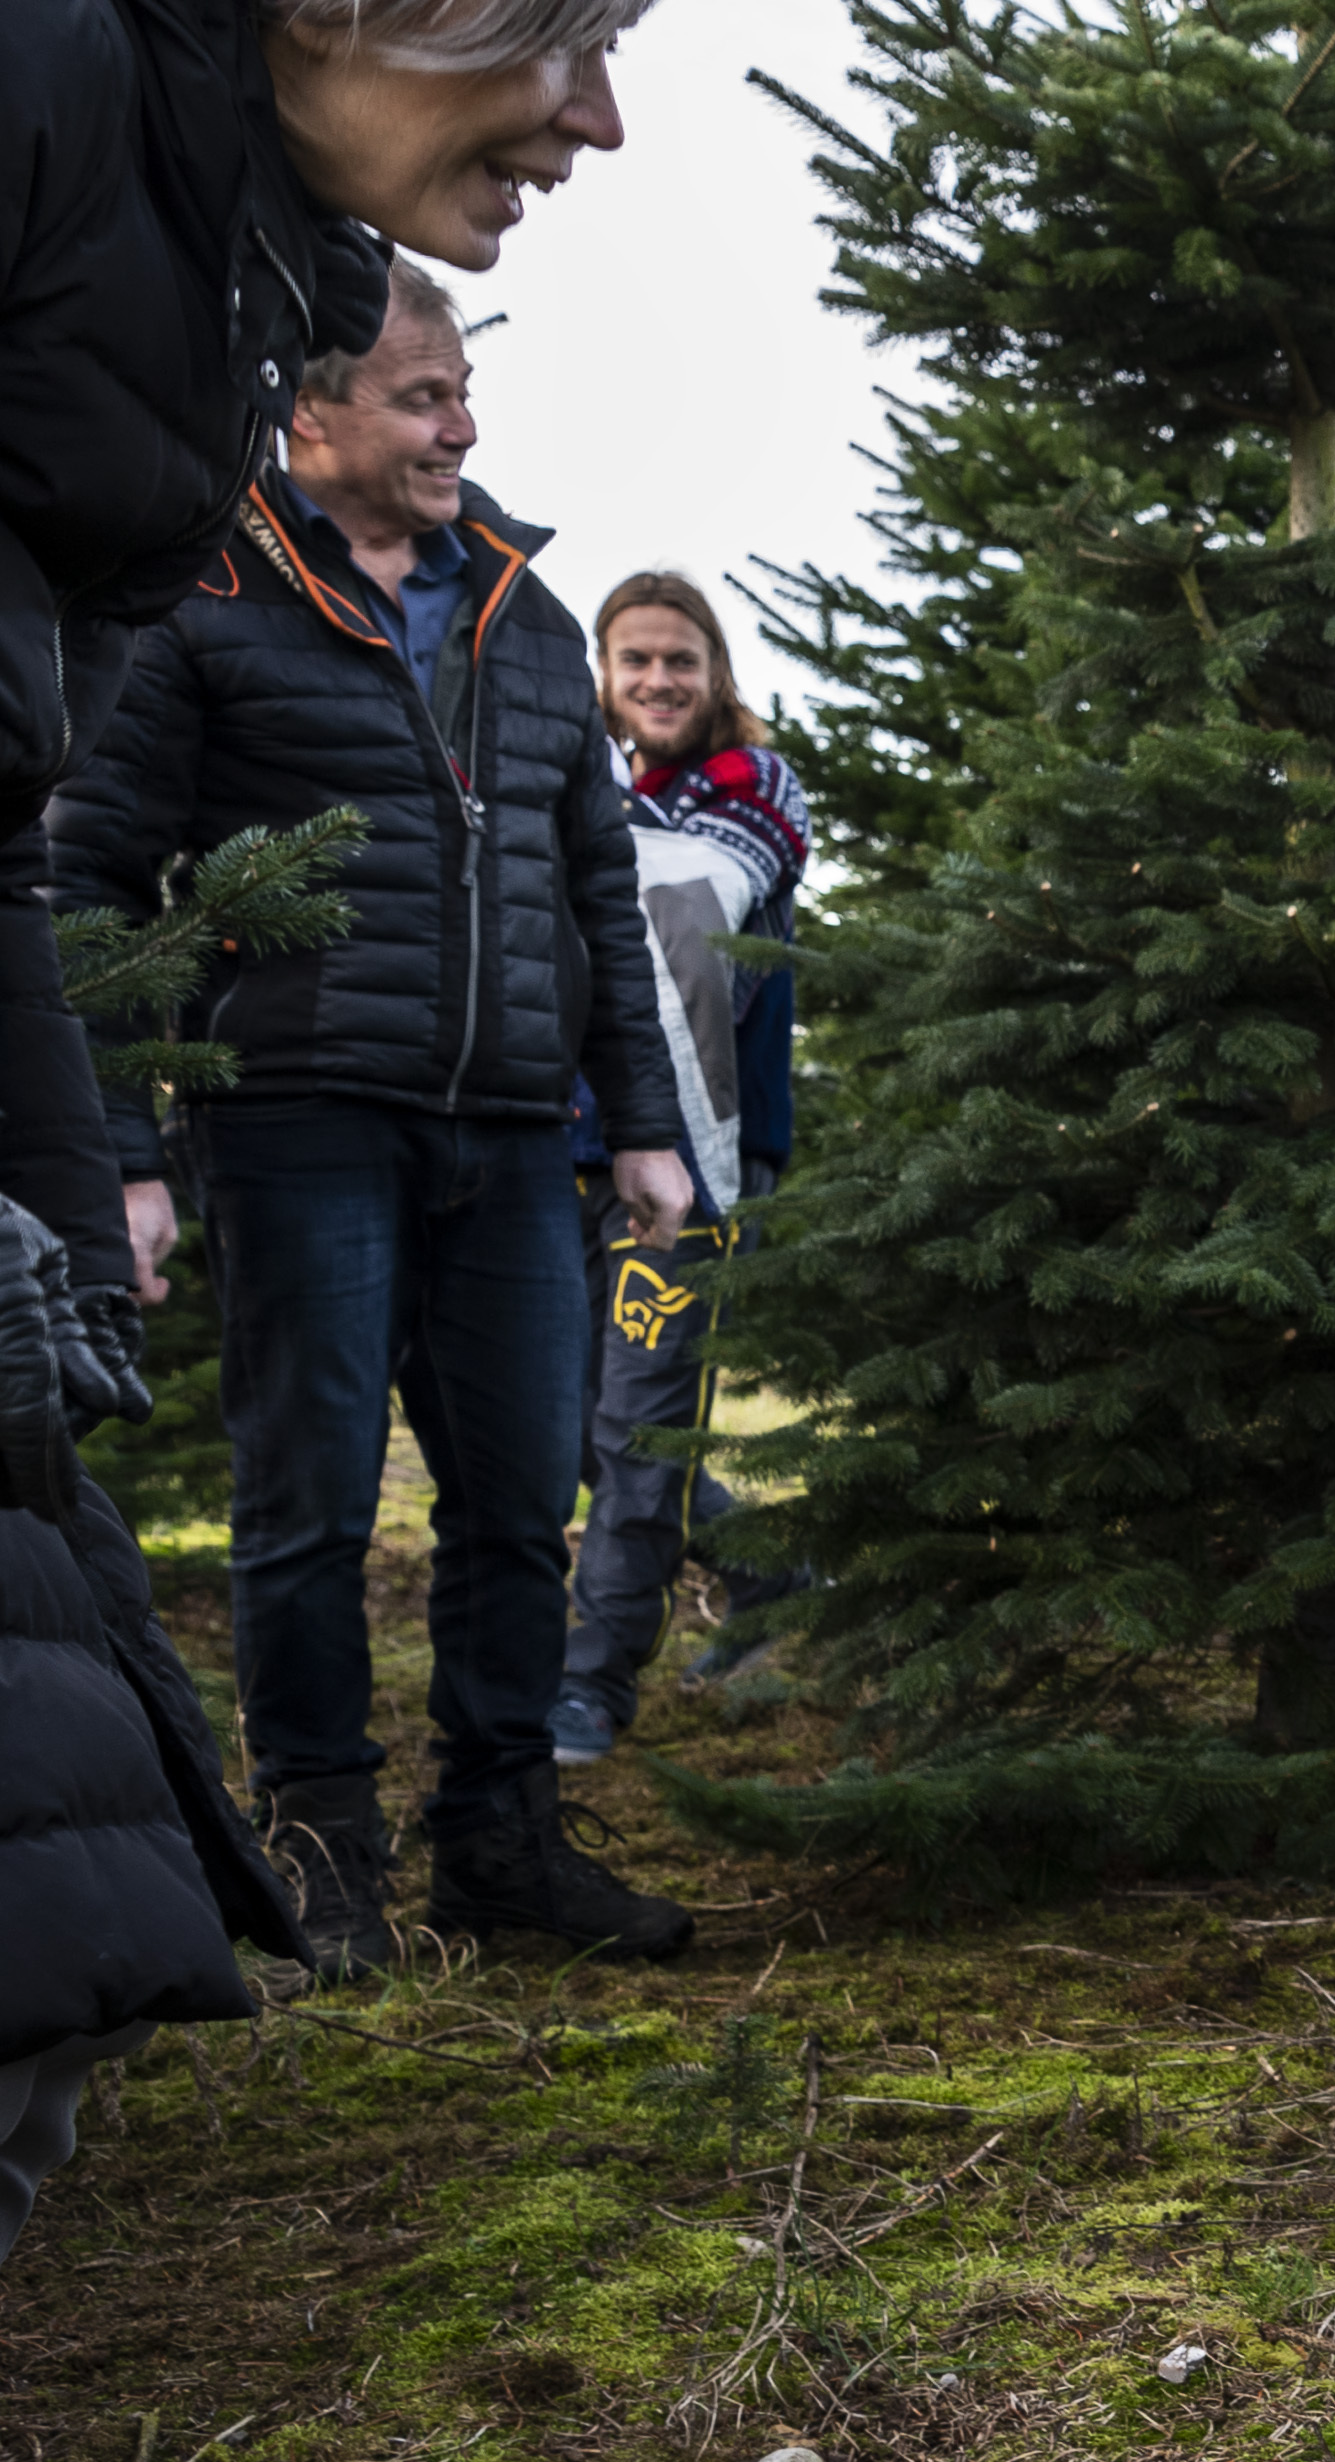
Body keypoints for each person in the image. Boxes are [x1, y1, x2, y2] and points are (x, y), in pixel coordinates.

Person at [0, 5, 651, 2462]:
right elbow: (78, 818)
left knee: (14, 1950)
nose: (597, 115)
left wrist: (19, 1185)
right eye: (565, 24)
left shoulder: (202, 246)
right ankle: (348, 1814)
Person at [52, 261, 700, 1980]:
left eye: (465, 395)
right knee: (312, 1501)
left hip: (510, 1134)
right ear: (311, 414)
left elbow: (592, 888)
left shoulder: (528, 615)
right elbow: (93, 883)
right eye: (423, 399)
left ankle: (501, 1840)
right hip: (301, 1128)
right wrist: (122, 1147)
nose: (461, 427)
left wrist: (640, 1121)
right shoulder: (204, 602)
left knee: (515, 1501)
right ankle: (320, 1846)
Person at [550, 573, 809, 1766]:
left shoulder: (753, 790)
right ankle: (773, 1573)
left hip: (696, 1157)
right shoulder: (587, 784)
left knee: (641, 1429)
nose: (658, 681)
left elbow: (683, 906)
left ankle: (589, 1690)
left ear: (716, 675)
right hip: (561, 1146)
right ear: (602, 675)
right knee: (565, 1428)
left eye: (681, 660)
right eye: (634, 660)